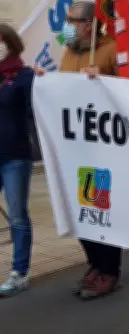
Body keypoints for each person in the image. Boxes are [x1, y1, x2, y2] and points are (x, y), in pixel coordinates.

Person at [57, 0, 121, 299]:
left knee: (99, 206)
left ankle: (109, 270)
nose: (68, 25)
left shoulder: (111, 51)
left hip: (102, 146)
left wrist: (105, 80)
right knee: (80, 209)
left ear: (91, 25)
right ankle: (94, 263)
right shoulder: (68, 52)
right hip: (75, 146)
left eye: (74, 20)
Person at [0, 25, 35, 297]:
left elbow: (36, 111)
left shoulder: (24, 77)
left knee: (17, 216)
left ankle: (19, 272)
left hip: (15, 157)